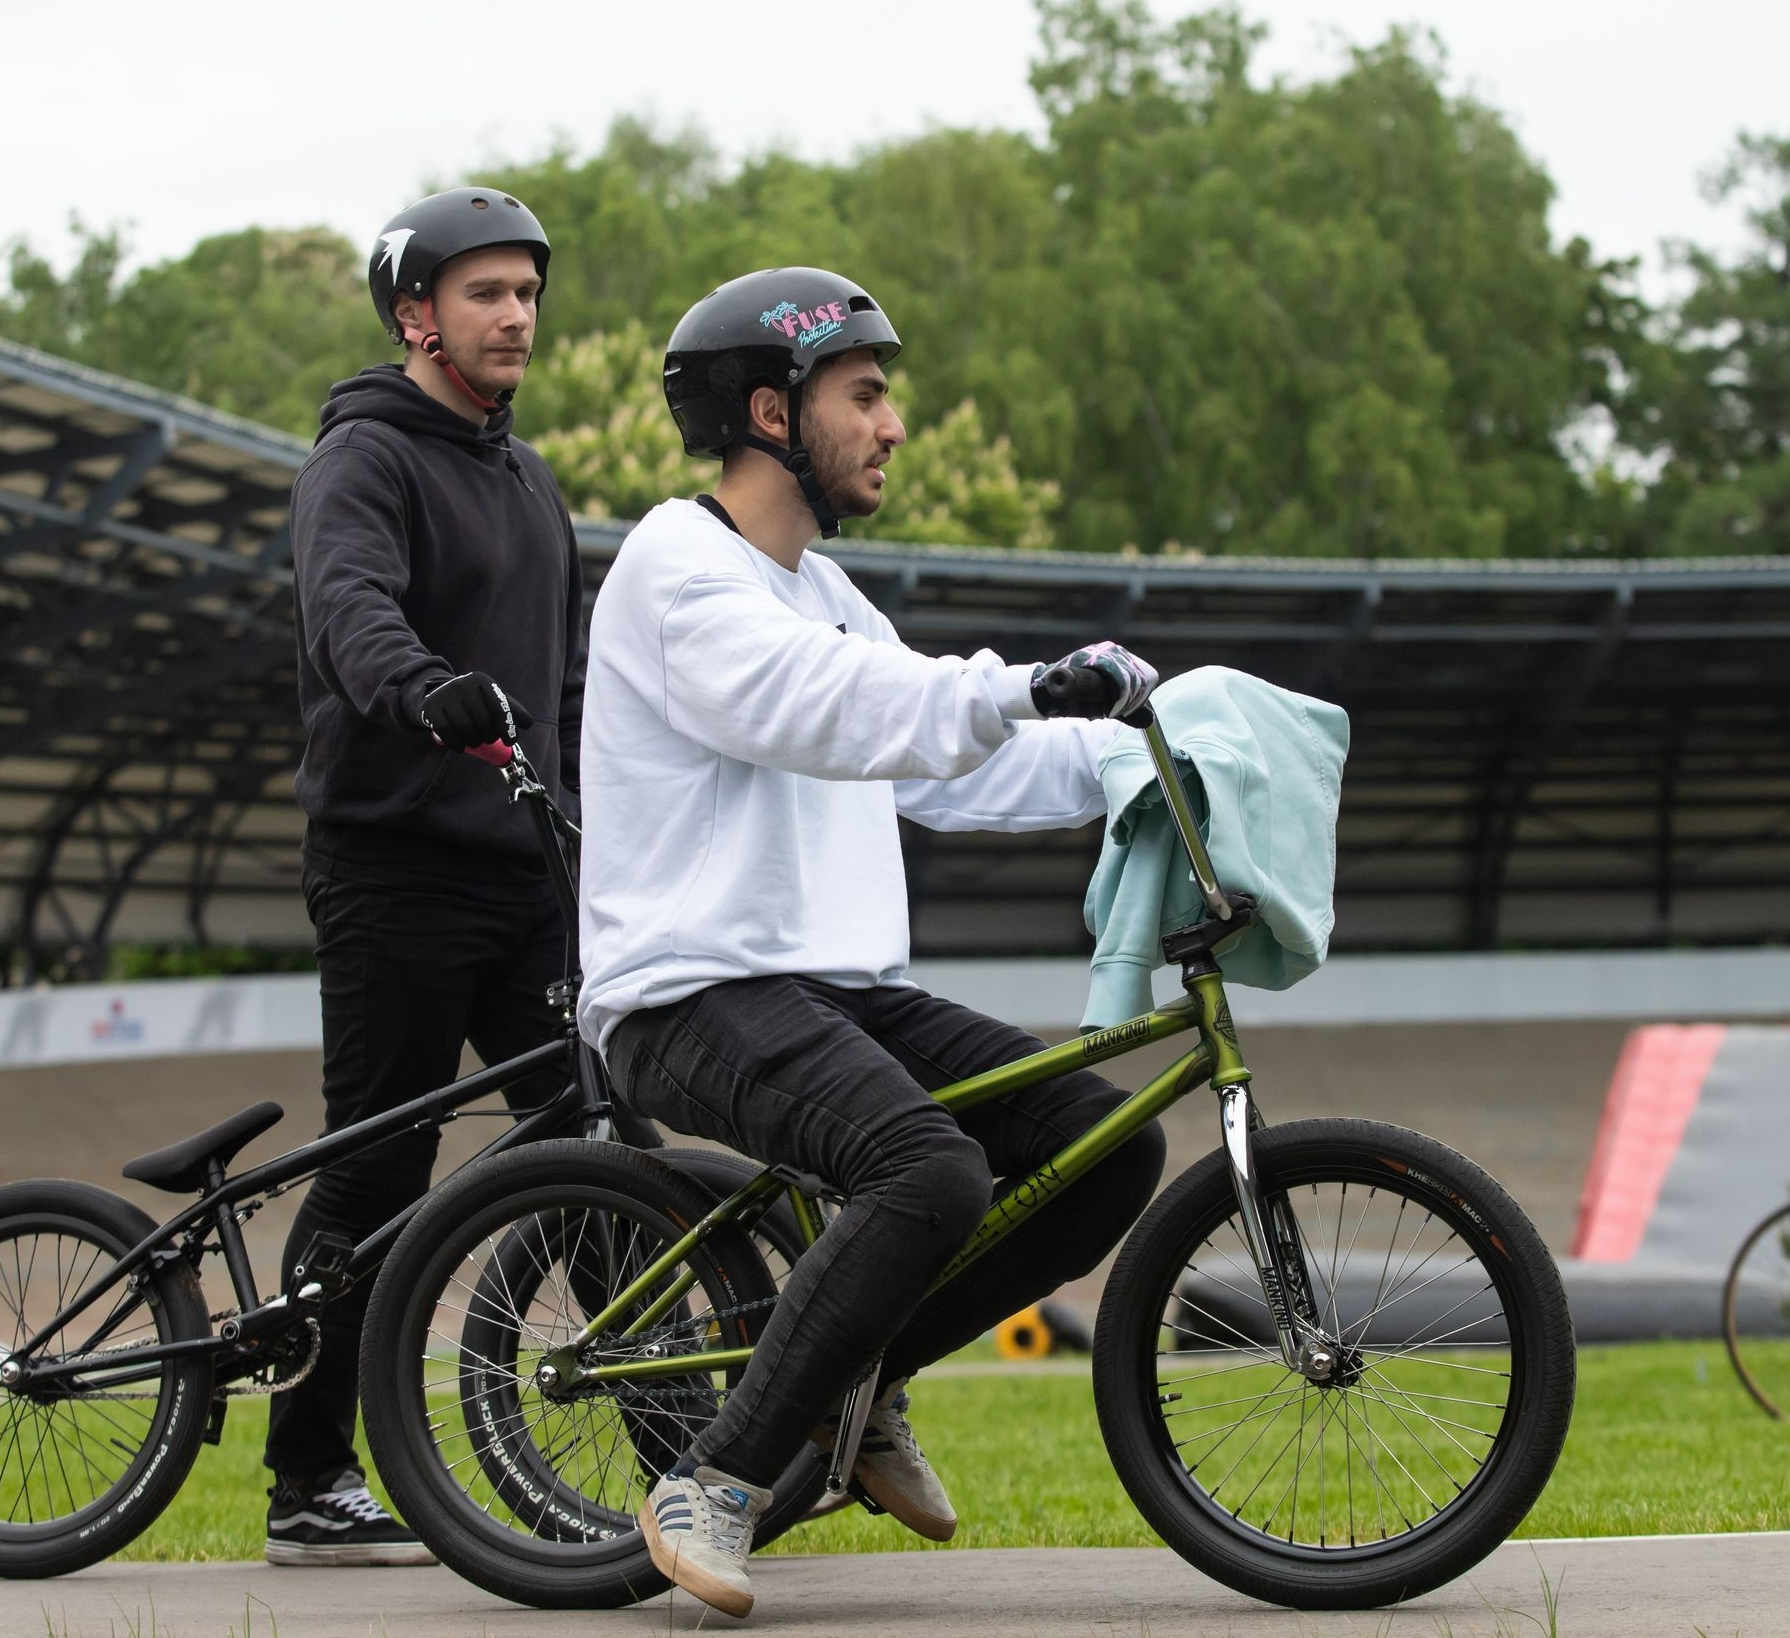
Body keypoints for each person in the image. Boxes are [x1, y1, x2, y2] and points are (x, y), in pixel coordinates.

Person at [576, 266, 1168, 1619]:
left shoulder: (829, 591)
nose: (893, 425)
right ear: (770, 412)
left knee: (1104, 1143)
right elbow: (829, 704)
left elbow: (950, 762)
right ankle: (712, 1479)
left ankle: (860, 1377)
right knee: (928, 1167)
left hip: (833, 991)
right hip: (691, 989)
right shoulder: (678, 568)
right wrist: (1020, 683)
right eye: (866, 395)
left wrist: (1138, 752)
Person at [267, 186, 586, 1566]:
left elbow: (566, 686)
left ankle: (685, 1446)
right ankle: (307, 1478)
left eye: (528, 293)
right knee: (378, 1167)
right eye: (485, 294)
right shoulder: (362, 460)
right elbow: (349, 615)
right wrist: (424, 689)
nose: (516, 316)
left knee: (589, 1145)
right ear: (417, 315)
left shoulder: (530, 480)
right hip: (393, 867)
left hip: (526, 877)